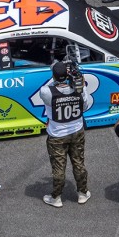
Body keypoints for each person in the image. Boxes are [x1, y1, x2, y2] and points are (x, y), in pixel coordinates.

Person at [40, 62, 93, 208]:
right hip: (77, 132)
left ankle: (56, 197)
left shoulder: (47, 92)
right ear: (68, 74)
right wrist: (79, 83)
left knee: (58, 167)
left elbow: (50, 85)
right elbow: (86, 106)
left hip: (57, 135)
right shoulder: (79, 89)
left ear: (54, 76)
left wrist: (57, 75)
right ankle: (82, 193)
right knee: (79, 162)